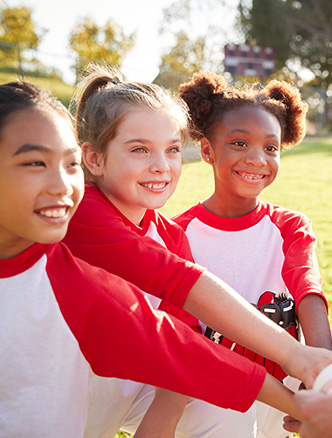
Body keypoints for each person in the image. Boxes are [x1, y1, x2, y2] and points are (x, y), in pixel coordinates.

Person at [0, 79, 312, 437]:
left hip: (127, 388)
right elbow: (175, 285)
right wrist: (297, 359)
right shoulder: (80, 213)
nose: (162, 166)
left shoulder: (170, 234)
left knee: (219, 408)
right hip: (66, 388)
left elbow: (182, 339)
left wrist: (163, 417)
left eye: (173, 150)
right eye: (140, 150)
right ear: (95, 159)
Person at [173, 70, 332, 437]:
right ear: (208, 150)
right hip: (212, 390)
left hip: (283, 380)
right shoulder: (178, 233)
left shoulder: (289, 225)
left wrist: (322, 375)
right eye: (240, 144)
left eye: (271, 147)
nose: (258, 159)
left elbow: (308, 293)